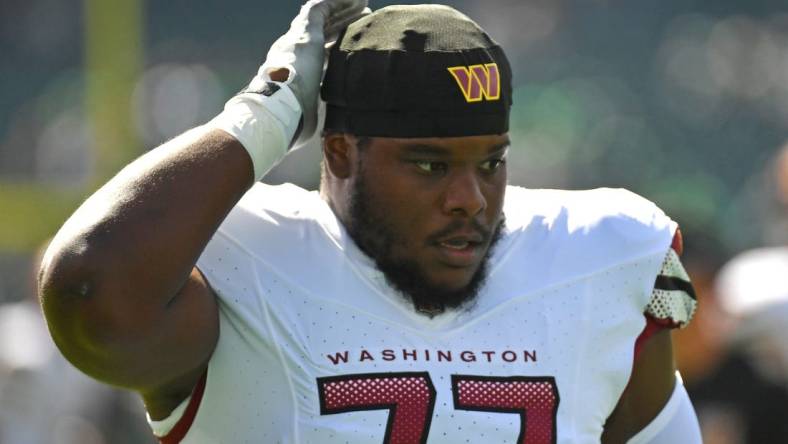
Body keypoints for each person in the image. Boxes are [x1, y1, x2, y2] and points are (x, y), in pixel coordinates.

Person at [37, 1, 702, 442]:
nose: (469, 198)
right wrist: (266, 112)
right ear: (337, 151)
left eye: (490, 161)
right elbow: (91, 291)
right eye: (430, 166)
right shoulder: (245, 258)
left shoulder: (603, 256)